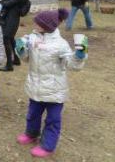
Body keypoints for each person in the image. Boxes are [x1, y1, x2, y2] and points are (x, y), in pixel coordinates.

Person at [15, 8, 88, 158]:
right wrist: (21, 49)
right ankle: (31, 134)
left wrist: (79, 56)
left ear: (47, 26)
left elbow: (71, 64)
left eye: (38, 22)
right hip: (36, 87)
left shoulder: (61, 44)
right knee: (33, 114)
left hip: (54, 91)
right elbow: (27, 58)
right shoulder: (33, 38)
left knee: (53, 120)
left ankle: (48, 146)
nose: (35, 23)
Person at [0, 0, 29, 72]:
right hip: (12, 17)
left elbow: (9, 3)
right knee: (11, 39)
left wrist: (1, 2)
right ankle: (16, 59)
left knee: (6, 38)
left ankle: (9, 65)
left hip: (13, 19)